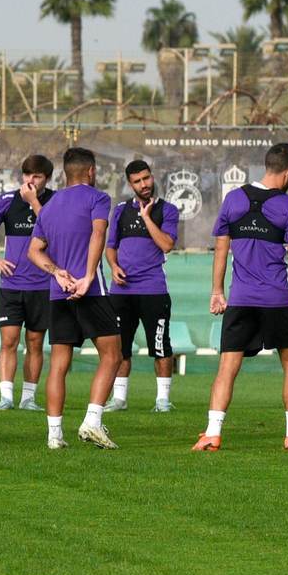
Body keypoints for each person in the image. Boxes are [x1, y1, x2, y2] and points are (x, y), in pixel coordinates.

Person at [192, 142, 288, 452]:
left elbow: (221, 251)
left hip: (240, 300)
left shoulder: (233, 199)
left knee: (227, 366)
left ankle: (212, 433)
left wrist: (217, 291)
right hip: (278, 300)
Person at [27, 147, 121, 449]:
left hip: (59, 291)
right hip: (88, 289)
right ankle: (92, 422)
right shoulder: (98, 198)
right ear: (91, 172)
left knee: (58, 364)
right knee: (112, 355)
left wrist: (57, 273)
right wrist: (89, 275)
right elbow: (98, 234)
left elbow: (34, 251)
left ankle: (54, 435)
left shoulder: (50, 206)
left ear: (66, 173)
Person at [0, 153, 55, 412]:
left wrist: (33, 202)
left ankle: (28, 399)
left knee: (35, 342)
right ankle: (6, 397)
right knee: (9, 341)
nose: (30, 180)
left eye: (37, 176)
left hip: (43, 285)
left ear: (48, 179)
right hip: (11, 285)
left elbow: (54, 230)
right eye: (27, 175)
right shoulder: (7, 200)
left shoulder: (55, 201)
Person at [104, 159, 180, 412]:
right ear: (130, 184)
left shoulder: (167, 210)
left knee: (160, 346)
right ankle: (120, 399)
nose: (144, 184)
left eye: (146, 178)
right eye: (137, 181)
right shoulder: (120, 210)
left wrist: (147, 218)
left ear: (152, 177)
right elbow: (110, 247)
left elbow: (167, 244)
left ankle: (162, 401)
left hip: (153, 290)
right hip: (122, 292)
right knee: (120, 348)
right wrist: (113, 266)